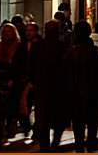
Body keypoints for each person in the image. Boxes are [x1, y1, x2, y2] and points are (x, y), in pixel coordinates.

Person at [63, 20, 98, 153]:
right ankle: (91, 144)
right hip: (93, 92)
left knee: (78, 123)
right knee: (92, 122)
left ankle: (79, 147)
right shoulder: (95, 51)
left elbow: (65, 73)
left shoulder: (70, 52)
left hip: (75, 93)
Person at [27, 20, 69, 152]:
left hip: (42, 87)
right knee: (58, 119)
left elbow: (31, 67)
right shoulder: (62, 46)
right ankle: (54, 143)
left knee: (43, 119)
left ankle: (45, 146)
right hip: (58, 88)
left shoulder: (37, 46)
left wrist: (33, 81)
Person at [11, 21, 41, 136]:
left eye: (31, 30)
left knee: (38, 105)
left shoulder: (40, 44)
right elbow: (16, 62)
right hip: (24, 79)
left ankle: (37, 128)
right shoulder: (22, 45)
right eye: (26, 30)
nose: (28, 33)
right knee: (23, 103)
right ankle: (26, 125)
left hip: (37, 80)